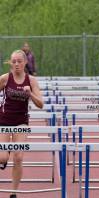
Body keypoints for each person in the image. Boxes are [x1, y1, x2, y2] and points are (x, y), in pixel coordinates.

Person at [0, 50, 43, 198]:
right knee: (3, 158)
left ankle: (13, 192)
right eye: (14, 61)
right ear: (10, 63)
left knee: (18, 157)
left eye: (19, 61)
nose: (16, 64)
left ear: (25, 63)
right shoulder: (5, 79)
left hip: (21, 123)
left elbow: (41, 104)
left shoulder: (31, 81)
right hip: (4, 121)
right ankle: (4, 156)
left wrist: (30, 93)